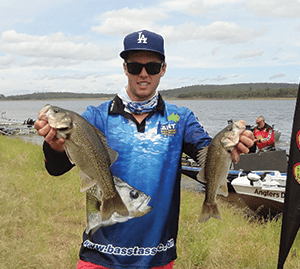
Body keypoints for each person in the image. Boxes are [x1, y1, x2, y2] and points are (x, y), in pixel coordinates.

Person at [34, 30, 254, 269]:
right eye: (134, 66)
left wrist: (236, 144)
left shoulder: (181, 118)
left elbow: (209, 153)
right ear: (124, 68)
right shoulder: (94, 116)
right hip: (100, 255)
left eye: (152, 66)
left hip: (156, 255)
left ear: (163, 68)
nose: (143, 74)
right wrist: (54, 147)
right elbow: (56, 169)